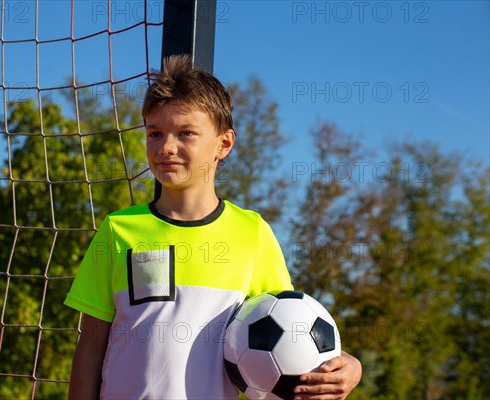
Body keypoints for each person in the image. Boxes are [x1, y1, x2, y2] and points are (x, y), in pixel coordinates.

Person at [65, 55, 362, 399]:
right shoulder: (119, 230)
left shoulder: (252, 233)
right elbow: (89, 348)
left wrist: (348, 364)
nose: (166, 147)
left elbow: (292, 331)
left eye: (186, 133)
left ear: (224, 143)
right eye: (154, 133)